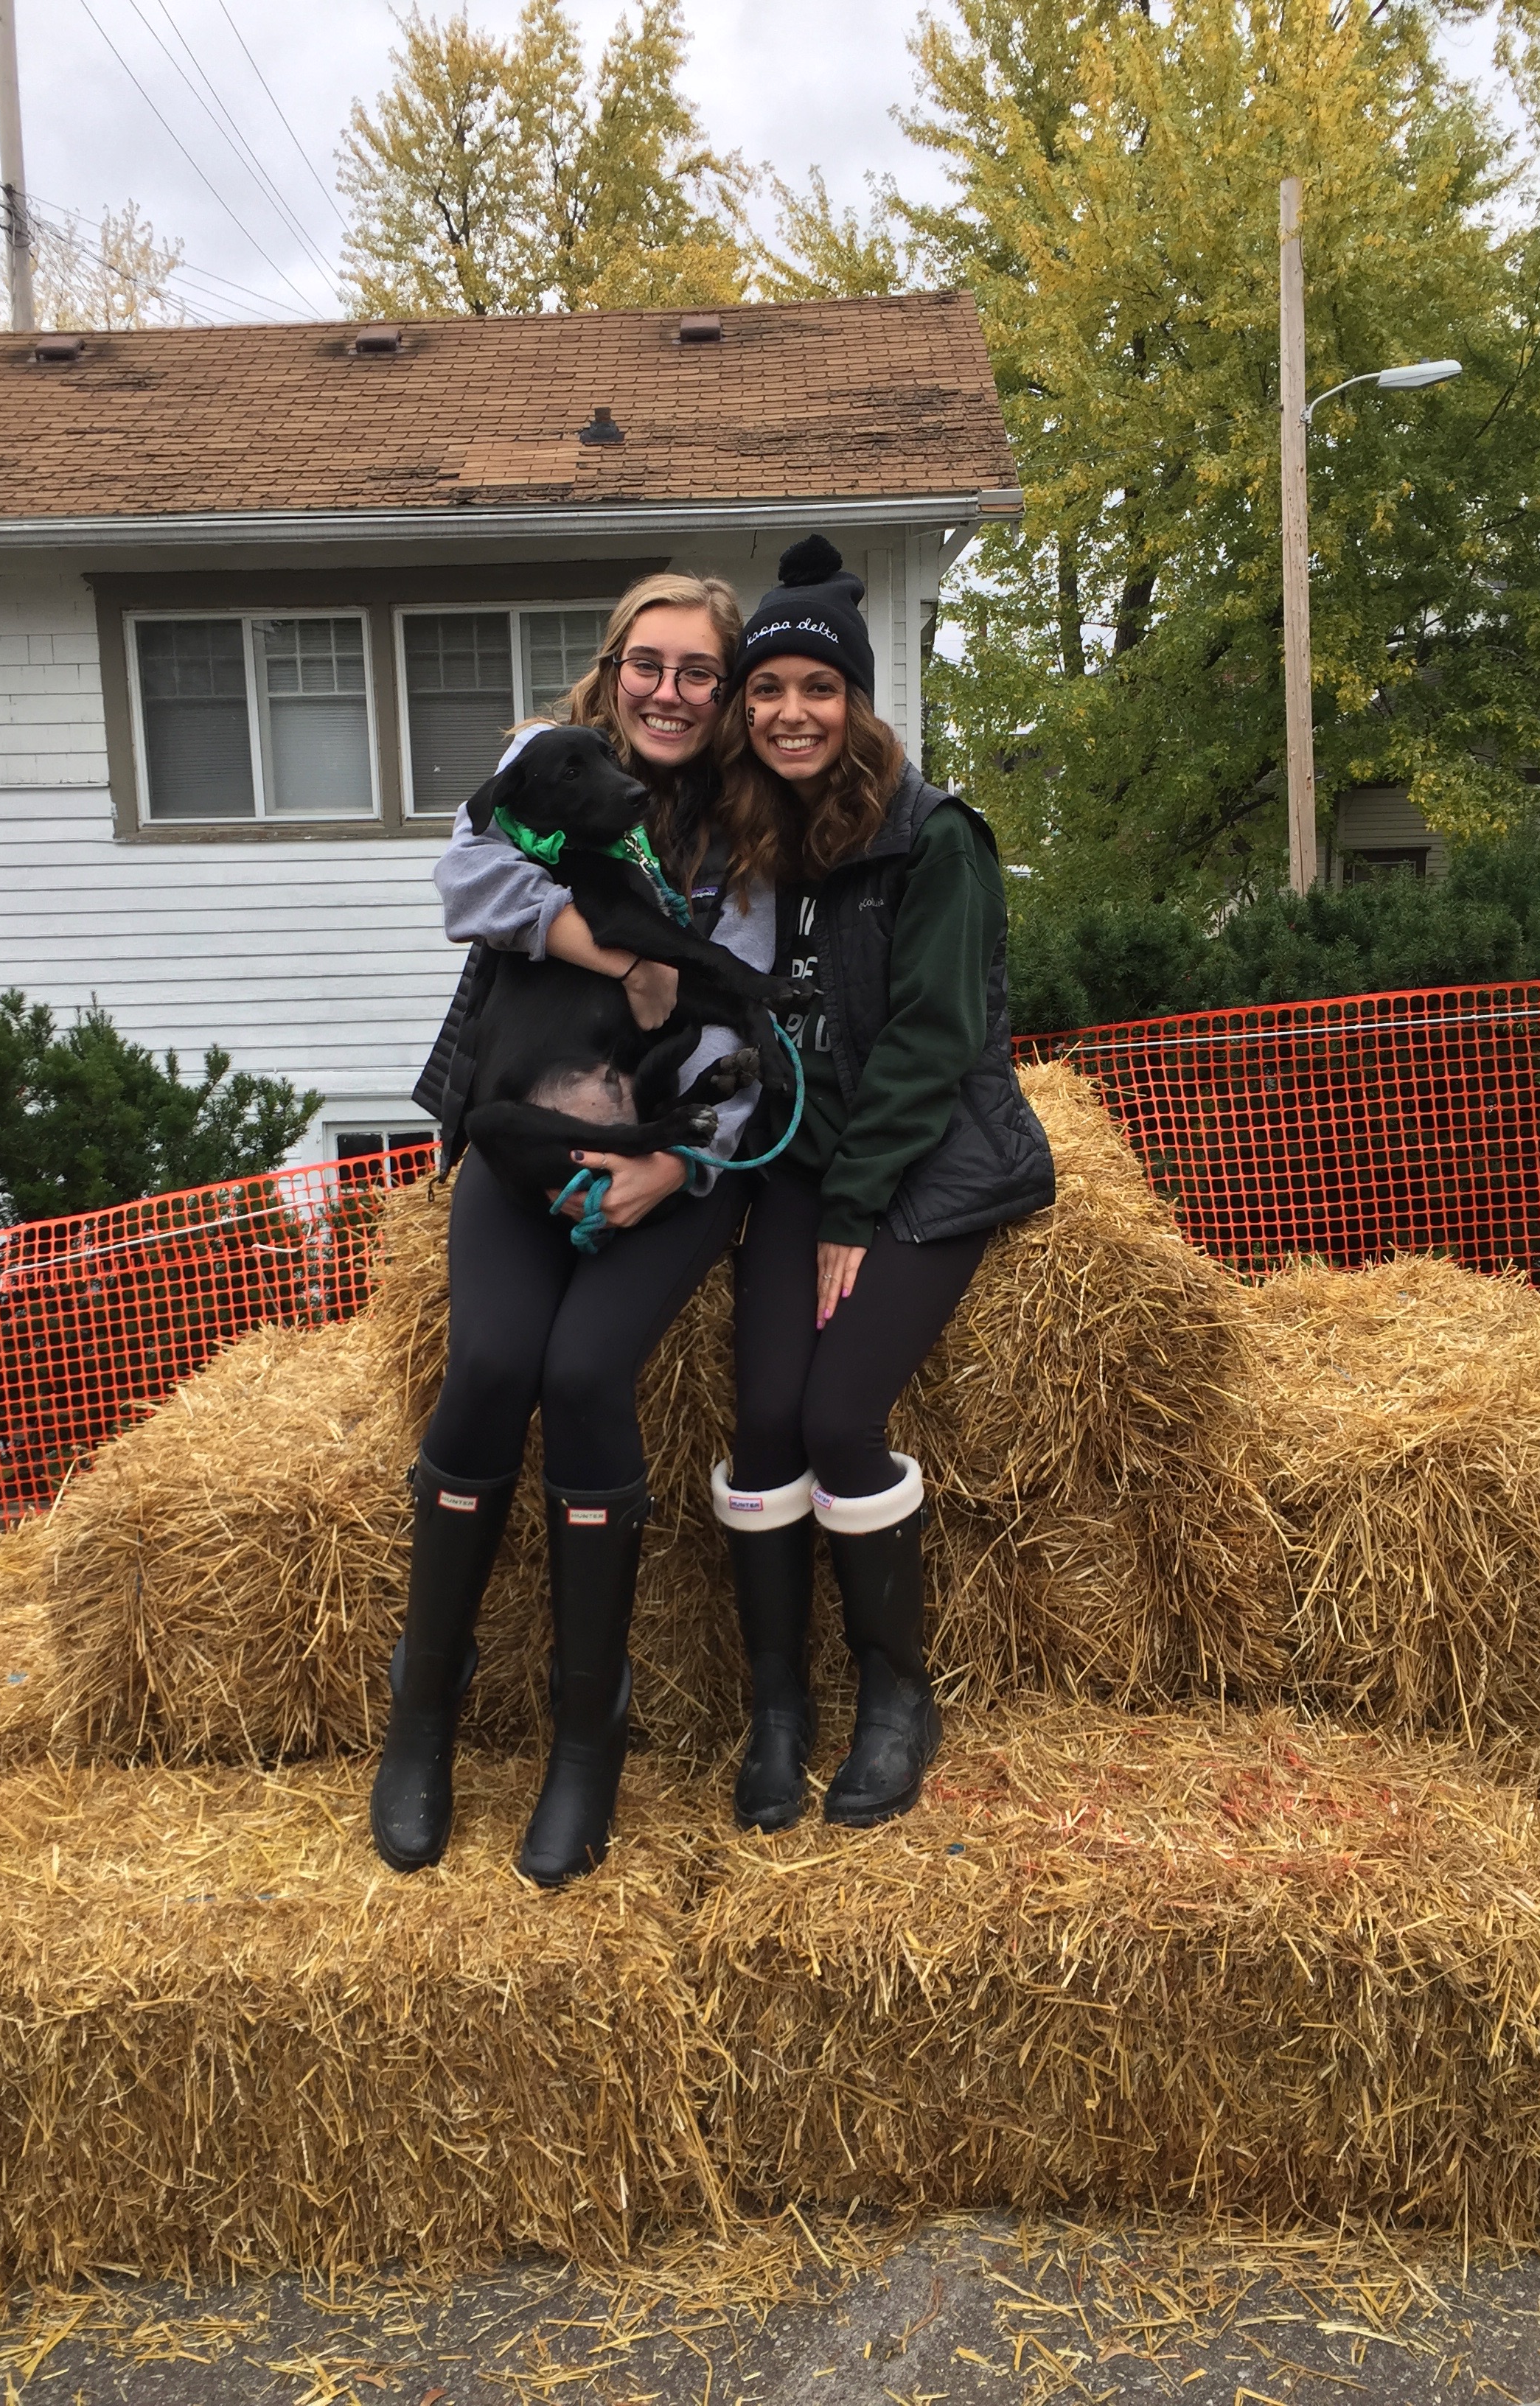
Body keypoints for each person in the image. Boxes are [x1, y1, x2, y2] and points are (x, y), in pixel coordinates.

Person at [372, 571, 770, 1889]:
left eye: (698, 672)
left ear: (721, 695)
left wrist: (678, 1166)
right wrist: (615, 950)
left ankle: (581, 1745)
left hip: (669, 1154)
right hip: (521, 1128)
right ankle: (419, 1722)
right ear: (612, 672)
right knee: (489, 1365)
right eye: (648, 664)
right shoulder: (543, 768)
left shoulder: (752, 829)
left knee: (587, 1373)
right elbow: (466, 882)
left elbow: (751, 1016)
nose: (670, 690)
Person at [707, 537, 1055, 1835]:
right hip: (804, 1159)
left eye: (817, 688)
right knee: (761, 1432)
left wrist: (853, 1208)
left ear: (856, 702)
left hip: (927, 1163)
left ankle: (896, 1698)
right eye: (767, 691)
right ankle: (777, 1709)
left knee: (843, 1417)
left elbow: (931, 1043)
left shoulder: (934, 839)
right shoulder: (755, 839)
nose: (791, 713)